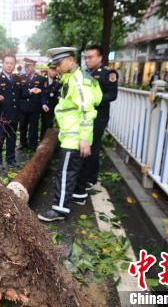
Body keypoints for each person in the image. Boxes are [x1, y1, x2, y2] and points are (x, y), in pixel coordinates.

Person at [37, 47, 102, 222]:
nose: (56, 68)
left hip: (75, 136)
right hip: (72, 133)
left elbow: (87, 111)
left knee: (65, 172)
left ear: (71, 60)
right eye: (54, 65)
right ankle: (79, 194)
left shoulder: (78, 81)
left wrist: (84, 139)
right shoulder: (72, 77)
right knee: (75, 168)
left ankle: (59, 209)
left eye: (58, 64)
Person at [77, 45, 118, 195]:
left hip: (99, 116)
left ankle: (90, 179)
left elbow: (112, 95)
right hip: (85, 116)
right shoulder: (84, 73)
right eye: (86, 57)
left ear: (100, 58)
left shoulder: (108, 73)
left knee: (93, 147)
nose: (88, 60)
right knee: (84, 144)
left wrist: (94, 100)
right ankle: (83, 175)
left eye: (91, 57)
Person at [0, 54, 28, 170]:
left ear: (14, 65)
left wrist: (31, 91)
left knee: (11, 139)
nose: (9, 65)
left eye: (11, 63)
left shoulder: (17, 79)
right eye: (7, 63)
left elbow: (22, 94)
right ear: (3, 64)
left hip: (13, 116)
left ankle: (11, 159)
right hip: (0, 116)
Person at [18, 58, 49, 151]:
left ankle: (32, 145)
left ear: (34, 66)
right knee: (22, 126)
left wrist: (44, 104)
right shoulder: (21, 78)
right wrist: (30, 91)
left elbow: (43, 93)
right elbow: (20, 93)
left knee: (33, 127)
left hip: (34, 107)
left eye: (29, 66)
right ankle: (23, 143)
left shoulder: (41, 79)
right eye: (25, 66)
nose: (27, 68)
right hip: (23, 106)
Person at [40, 65, 61, 141]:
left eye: (55, 70)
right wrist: (44, 103)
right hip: (44, 105)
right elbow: (42, 93)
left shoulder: (58, 81)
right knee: (44, 124)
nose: (53, 72)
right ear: (48, 69)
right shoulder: (42, 80)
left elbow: (58, 93)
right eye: (51, 70)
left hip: (53, 106)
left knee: (50, 125)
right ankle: (42, 140)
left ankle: (49, 141)